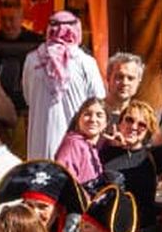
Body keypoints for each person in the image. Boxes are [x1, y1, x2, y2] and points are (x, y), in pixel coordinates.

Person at [20, 10, 105, 164]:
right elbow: (98, 100)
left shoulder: (32, 60)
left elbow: (27, 98)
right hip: (76, 145)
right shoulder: (86, 62)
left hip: (40, 145)